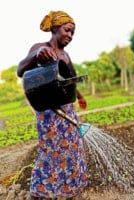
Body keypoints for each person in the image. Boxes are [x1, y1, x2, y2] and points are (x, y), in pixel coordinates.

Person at [17, 11, 88, 200]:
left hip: (66, 109)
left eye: (73, 33)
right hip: (49, 112)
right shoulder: (40, 48)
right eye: (67, 30)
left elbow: (71, 80)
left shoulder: (65, 55)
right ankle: (44, 192)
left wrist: (79, 96)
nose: (70, 36)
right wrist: (37, 56)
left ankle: (71, 188)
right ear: (56, 28)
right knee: (51, 151)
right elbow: (20, 69)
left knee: (73, 147)